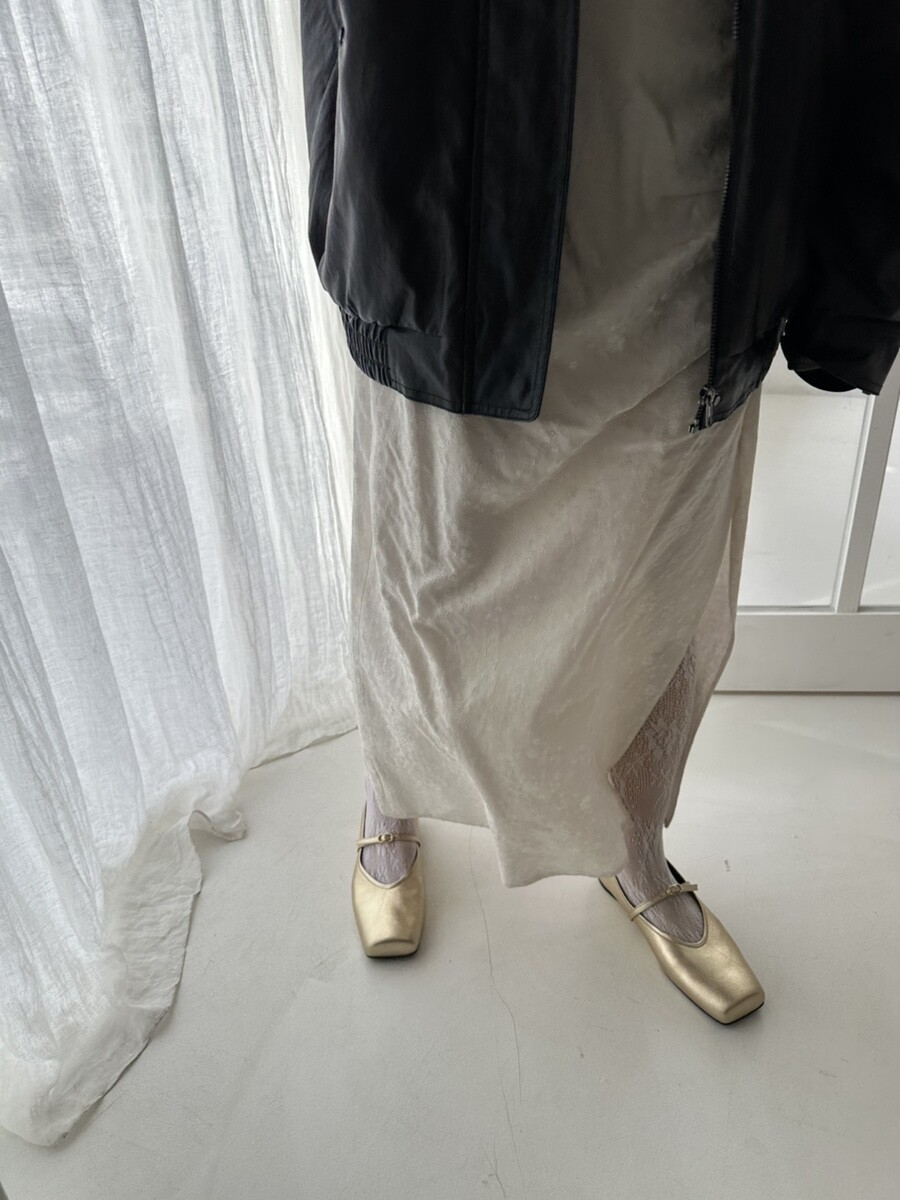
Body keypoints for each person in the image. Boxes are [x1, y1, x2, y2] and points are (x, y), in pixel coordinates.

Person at [297, 2, 900, 1023]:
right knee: (434, 550)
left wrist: (859, 281)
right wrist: (351, 203)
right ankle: (393, 788)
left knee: (655, 568)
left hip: (705, 190)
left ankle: (633, 841)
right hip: (459, 176)